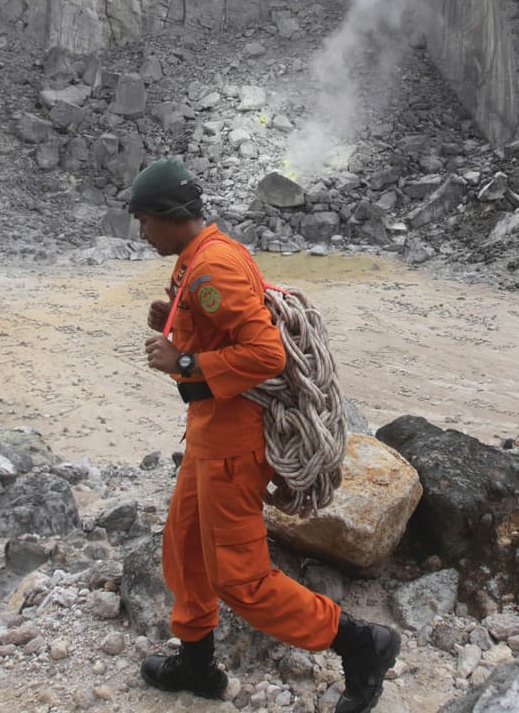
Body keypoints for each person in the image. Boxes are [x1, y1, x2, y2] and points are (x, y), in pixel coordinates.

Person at [128, 157, 400, 711]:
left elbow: (266, 353)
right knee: (184, 549)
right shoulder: (199, 257)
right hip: (208, 434)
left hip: (233, 442)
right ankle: (198, 665)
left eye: (143, 220)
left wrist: (182, 360)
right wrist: (176, 323)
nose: (141, 232)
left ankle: (363, 644)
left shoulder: (211, 270)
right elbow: (222, 325)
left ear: (168, 215)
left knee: (242, 579)